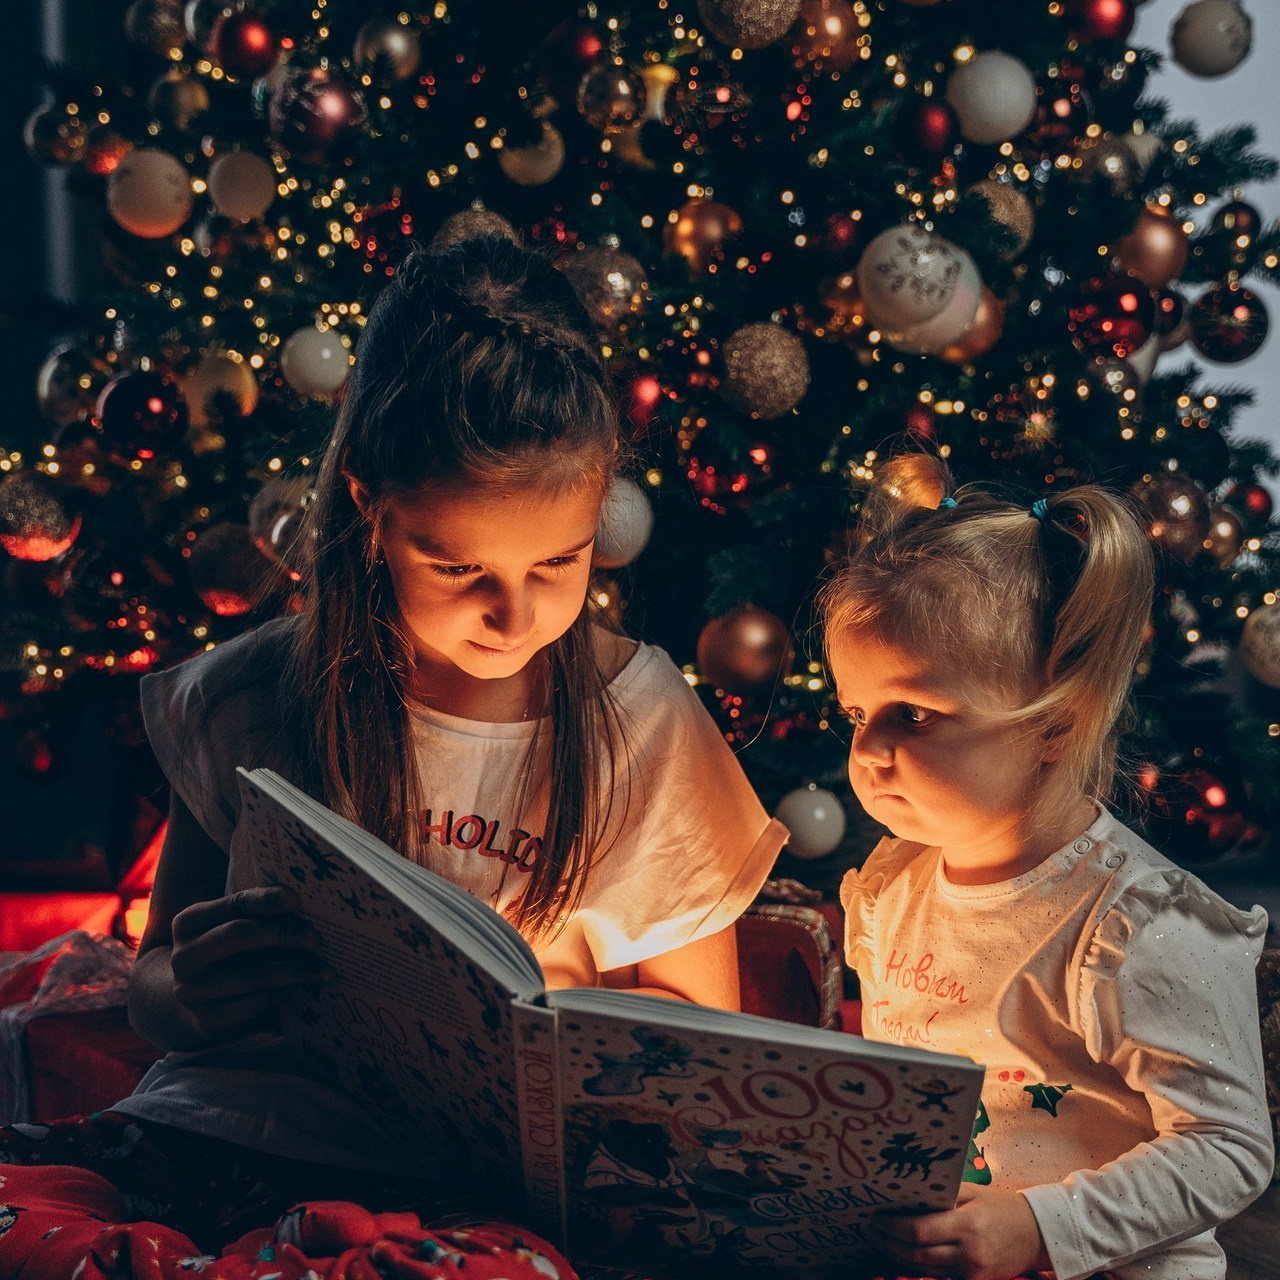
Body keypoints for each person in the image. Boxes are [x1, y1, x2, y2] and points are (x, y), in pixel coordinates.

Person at [0, 234, 786, 1273]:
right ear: (370, 501)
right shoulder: (257, 691)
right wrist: (189, 987)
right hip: (235, 1129)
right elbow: (156, 984)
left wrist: (565, 1046)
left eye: (558, 560)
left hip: (474, 1189)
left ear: (598, 499)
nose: (512, 610)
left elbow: (698, 1034)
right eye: (456, 563)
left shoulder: (638, 720)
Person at [823, 455, 1272, 1280]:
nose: (867, 749)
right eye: (856, 710)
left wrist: (1037, 1227)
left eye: (913, 714)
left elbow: (1229, 1148)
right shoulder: (892, 890)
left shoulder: (1135, 922)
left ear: (1056, 726)